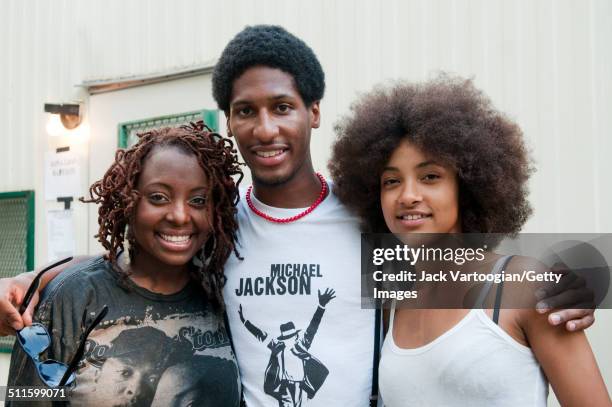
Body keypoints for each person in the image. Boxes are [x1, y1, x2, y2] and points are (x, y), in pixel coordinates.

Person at [0, 25, 597, 406]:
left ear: (313, 112)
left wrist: (583, 274)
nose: (265, 128)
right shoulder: (219, 226)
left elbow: (461, 270)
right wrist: (39, 279)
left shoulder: (369, 221)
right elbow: (144, 262)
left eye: (282, 107)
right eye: (245, 111)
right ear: (228, 121)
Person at [330, 76, 610, 406]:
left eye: (430, 176)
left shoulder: (526, 288)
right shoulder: (393, 305)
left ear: (467, 185)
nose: (407, 196)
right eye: (391, 181)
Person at [8, 123, 242, 406]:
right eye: (159, 197)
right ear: (127, 201)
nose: (180, 215)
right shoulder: (72, 298)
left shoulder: (224, 290)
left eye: (198, 200)